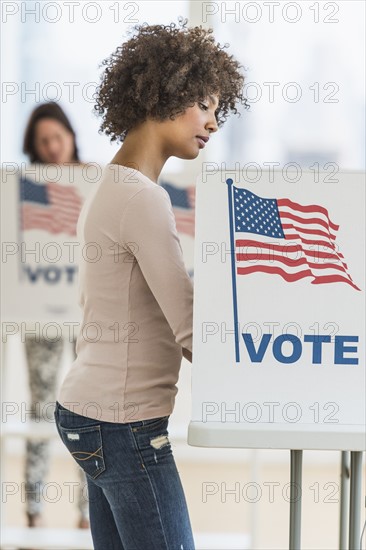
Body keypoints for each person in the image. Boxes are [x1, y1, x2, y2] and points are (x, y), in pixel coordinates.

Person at [54, 18, 248, 549]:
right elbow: (188, 330)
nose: (213, 122)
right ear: (166, 93)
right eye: (204, 105)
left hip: (88, 413)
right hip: (123, 426)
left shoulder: (110, 186)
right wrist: (272, 370)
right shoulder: (143, 198)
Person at [22, 102, 90, 529]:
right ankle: (33, 509)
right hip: (38, 308)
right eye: (42, 141)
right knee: (40, 408)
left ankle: (88, 513)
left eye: (56, 137)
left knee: (87, 409)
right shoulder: (24, 186)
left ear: (70, 135)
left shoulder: (94, 181)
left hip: (87, 310)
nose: (51, 147)